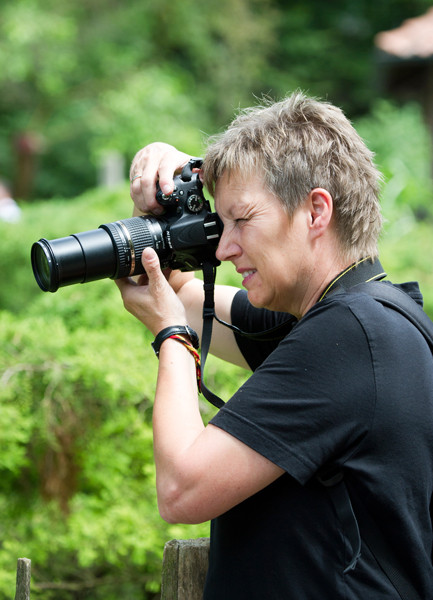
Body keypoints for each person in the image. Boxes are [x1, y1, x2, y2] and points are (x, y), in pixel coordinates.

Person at [116, 91, 433, 599]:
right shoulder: (367, 321)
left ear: (315, 211)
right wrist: (166, 187)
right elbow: (174, 290)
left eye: (242, 220)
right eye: (221, 225)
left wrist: (171, 338)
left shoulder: (347, 338)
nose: (224, 247)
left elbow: (182, 490)